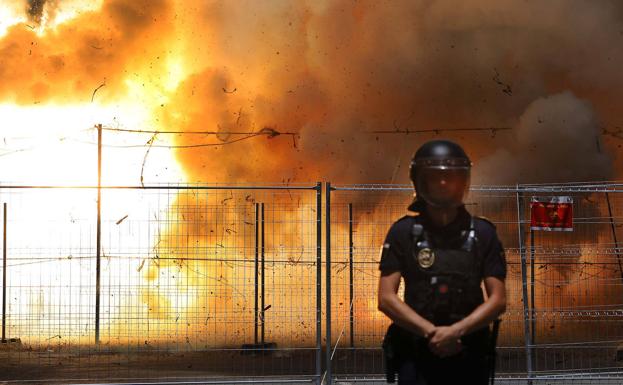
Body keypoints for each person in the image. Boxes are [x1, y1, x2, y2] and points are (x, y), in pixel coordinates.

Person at [377, 139, 507, 384]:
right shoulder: (402, 233)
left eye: (451, 177)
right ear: (420, 180)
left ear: (463, 181)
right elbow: (386, 298)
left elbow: (498, 299)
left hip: (468, 354)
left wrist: (455, 332)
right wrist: (432, 333)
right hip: (416, 355)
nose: (444, 182)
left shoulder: (483, 233)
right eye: (435, 177)